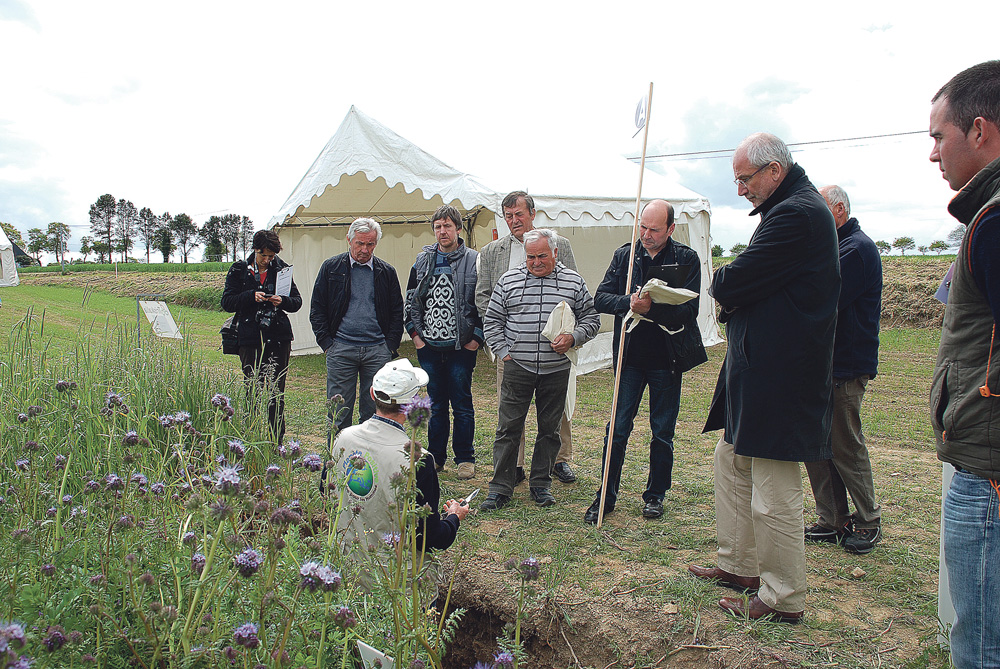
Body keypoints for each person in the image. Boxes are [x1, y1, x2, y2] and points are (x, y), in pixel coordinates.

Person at [689, 132, 840, 624]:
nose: (740, 189)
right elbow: (746, 284)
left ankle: (781, 596)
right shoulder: (789, 211)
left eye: (745, 178)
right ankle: (740, 566)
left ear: (774, 171)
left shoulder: (796, 214)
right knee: (731, 458)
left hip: (781, 375)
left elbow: (731, 282)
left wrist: (732, 289)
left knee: (774, 486)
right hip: (761, 370)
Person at [927, 60, 1000, 669]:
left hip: (989, 468)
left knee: (980, 644)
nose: (933, 154)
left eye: (938, 136)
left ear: (980, 131)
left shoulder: (995, 220)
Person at [586, 199, 707, 524]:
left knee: (662, 432)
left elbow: (690, 310)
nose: (647, 234)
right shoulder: (625, 256)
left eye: (654, 229)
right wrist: (630, 302)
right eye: (642, 226)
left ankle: (655, 496)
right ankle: (605, 496)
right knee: (617, 429)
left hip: (667, 360)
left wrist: (651, 309)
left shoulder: (686, 258)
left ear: (670, 228)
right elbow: (601, 298)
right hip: (629, 358)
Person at [329, 358, 469, 604]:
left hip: (348, 574)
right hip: (399, 587)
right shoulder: (418, 461)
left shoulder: (343, 438)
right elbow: (430, 538)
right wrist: (455, 518)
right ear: (413, 405)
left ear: (372, 393)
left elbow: (328, 493)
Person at [480, 228, 600, 511]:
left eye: (542, 256)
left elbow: (592, 319)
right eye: (531, 256)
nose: (535, 262)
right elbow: (492, 320)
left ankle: (541, 485)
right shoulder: (509, 280)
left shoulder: (573, 281)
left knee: (550, 430)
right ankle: (500, 487)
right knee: (508, 428)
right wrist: (504, 352)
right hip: (517, 367)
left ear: (555, 253)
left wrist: (574, 337)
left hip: (555, 369)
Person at [475, 191, 579, 484]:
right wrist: (500, 341)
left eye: (519, 214)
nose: (513, 221)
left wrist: (566, 334)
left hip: (553, 347)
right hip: (511, 349)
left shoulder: (561, 245)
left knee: (557, 411)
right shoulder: (494, 251)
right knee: (510, 411)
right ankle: (515, 466)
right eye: (508, 216)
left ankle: (560, 460)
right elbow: (483, 296)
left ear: (533, 213)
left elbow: (573, 289)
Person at [803, 185, 883, 554]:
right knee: (816, 445)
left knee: (844, 445)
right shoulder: (838, 248)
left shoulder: (855, 250)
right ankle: (832, 518)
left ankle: (868, 521)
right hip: (823, 365)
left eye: (819, 211)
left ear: (837, 211)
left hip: (844, 367)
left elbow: (821, 298)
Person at [405, 205, 484, 480]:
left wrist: (477, 338)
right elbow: (411, 299)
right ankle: (436, 458)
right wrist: (415, 335)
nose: (442, 231)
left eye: (447, 226)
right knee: (436, 405)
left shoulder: (475, 259)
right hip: (429, 347)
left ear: (458, 229)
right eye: (438, 226)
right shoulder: (422, 260)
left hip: (461, 347)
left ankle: (465, 458)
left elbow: (484, 302)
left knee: (462, 403)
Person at [310, 217, 404, 431]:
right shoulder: (331, 268)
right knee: (338, 413)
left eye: (370, 244)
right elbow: (317, 308)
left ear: (376, 243)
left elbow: (397, 311)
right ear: (349, 240)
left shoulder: (386, 272)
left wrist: (389, 346)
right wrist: (327, 343)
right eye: (359, 243)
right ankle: (335, 462)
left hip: (377, 350)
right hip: (341, 348)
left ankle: (367, 462)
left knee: (374, 413)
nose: (364, 249)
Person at [221, 229, 301, 444]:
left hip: (278, 338)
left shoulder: (282, 269)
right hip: (250, 339)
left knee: (276, 393)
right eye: (263, 255)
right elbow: (227, 302)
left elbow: (297, 302)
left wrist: (281, 301)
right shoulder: (239, 269)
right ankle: (251, 439)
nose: (267, 260)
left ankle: (276, 442)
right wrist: (250, 296)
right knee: (253, 391)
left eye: (271, 256)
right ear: (255, 250)